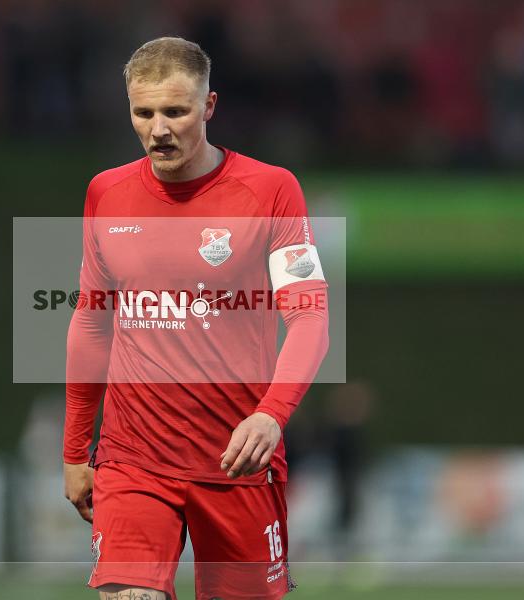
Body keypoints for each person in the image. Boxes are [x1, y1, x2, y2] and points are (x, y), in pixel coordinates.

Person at [63, 37, 329, 600]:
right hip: (134, 460)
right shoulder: (105, 193)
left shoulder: (271, 190)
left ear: (208, 107)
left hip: (237, 459)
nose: (159, 128)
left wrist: (271, 415)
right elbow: (91, 325)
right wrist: (73, 450)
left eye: (175, 111)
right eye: (143, 112)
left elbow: (309, 316)